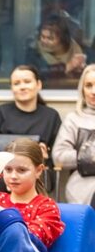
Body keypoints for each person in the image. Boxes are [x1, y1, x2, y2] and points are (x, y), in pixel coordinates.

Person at [0, 139, 64, 248]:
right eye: (8, 169)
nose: (13, 176)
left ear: (39, 170)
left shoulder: (47, 207)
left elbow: (27, 240)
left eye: (21, 170)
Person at [0, 65, 62, 161]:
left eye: (27, 82)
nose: (22, 87)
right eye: (16, 83)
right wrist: (33, 147)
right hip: (4, 171)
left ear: (39, 85)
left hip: (39, 171)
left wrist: (46, 153)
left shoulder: (51, 116)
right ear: (11, 88)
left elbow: (58, 151)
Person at [51, 63, 95, 206]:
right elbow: (58, 156)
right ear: (82, 89)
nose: (93, 91)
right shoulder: (74, 119)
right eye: (88, 85)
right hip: (84, 185)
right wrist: (90, 156)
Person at [24, 15, 87, 86]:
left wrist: (81, 69)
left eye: (50, 38)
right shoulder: (33, 53)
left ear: (62, 39)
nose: (44, 41)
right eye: (42, 37)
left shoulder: (78, 50)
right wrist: (66, 67)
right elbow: (35, 73)